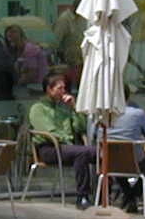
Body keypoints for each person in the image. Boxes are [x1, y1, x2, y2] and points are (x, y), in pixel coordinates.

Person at [25, 69, 97, 209]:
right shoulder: (38, 108)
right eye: (60, 88)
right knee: (83, 152)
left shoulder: (64, 108)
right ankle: (83, 196)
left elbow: (80, 127)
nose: (64, 91)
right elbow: (49, 131)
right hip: (49, 149)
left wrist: (74, 108)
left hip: (67, 148)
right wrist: (68, 140)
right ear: (49, 89)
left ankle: (99, 194)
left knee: (100, 152)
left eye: (64, 88)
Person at [4, 25, 48, 89]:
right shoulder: (17, 51)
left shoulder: (30, 49)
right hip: (30, 85)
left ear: (21, 36)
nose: (12, 42)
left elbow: (32, 74)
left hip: (38, 86)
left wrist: (17, 84)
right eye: (9, 38)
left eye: (14, 39)